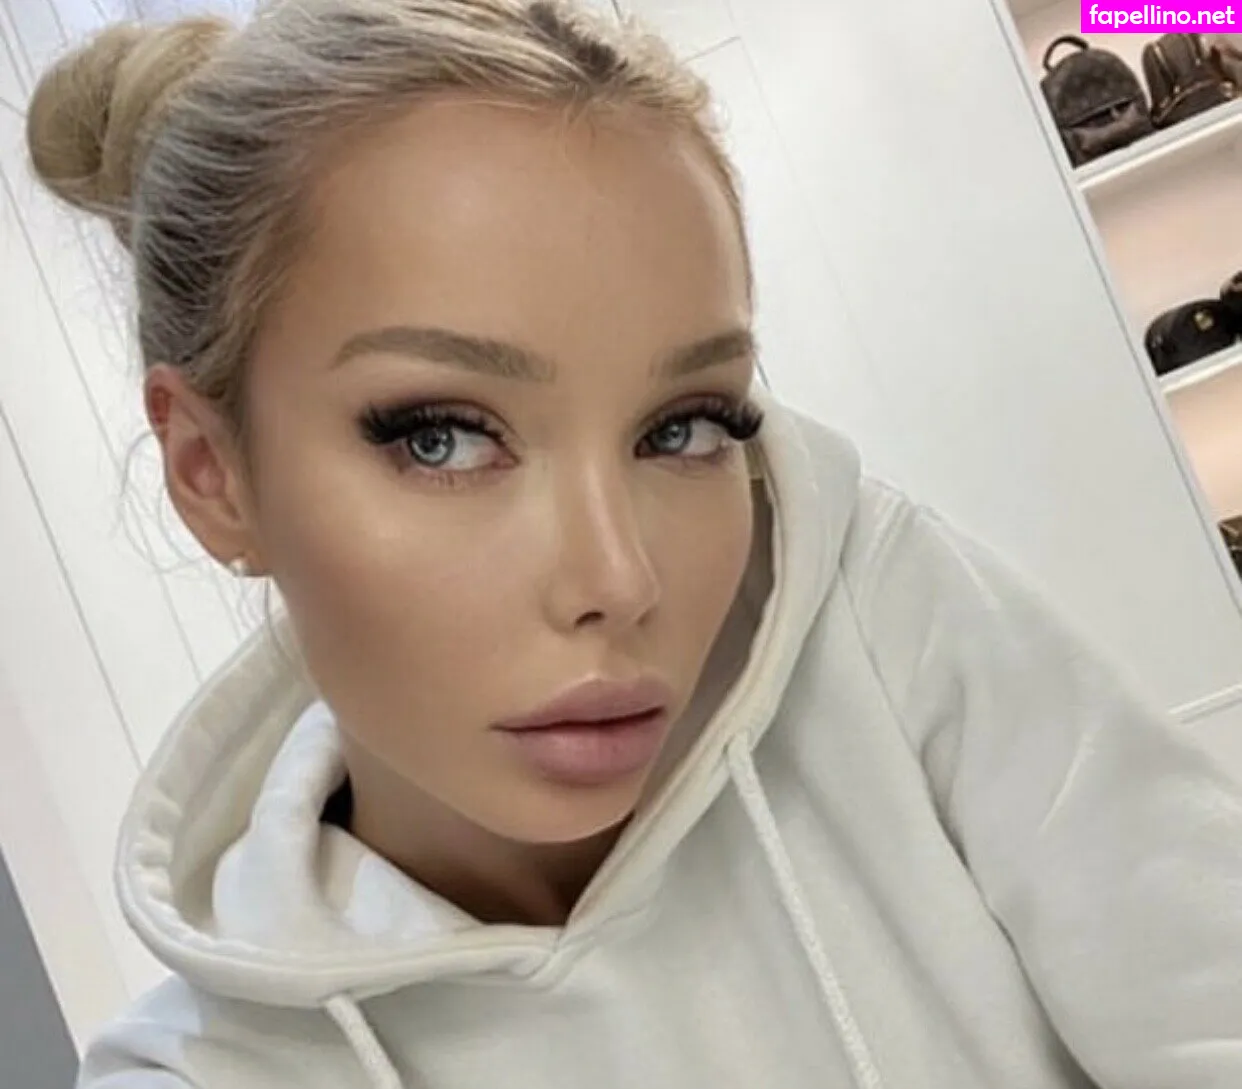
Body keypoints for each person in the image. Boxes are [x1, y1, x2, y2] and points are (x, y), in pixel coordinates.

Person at [26, 2, 1242, 1087]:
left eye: (685, 427)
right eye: (442, 437)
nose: (618, 578)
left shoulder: (862, 613)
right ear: (212, 473)